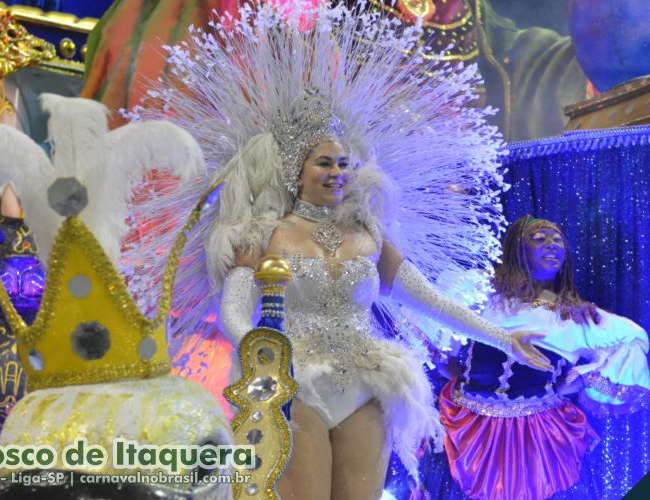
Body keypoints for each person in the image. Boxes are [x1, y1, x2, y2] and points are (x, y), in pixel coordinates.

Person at [123, 3, 552, 498]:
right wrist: (270, 358)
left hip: (367, 381)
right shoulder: (263, 234)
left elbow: (428, 299)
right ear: (296, 171)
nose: (337, 173)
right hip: (293, 383)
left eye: (344, 164)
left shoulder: (368, 236)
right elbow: (234, 314)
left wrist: (501, 337)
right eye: (324, 162)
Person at [439, 215, 650, 500]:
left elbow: (633, 339)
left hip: (537, 431)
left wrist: (578, 378)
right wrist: (455, 369)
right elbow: (436, 323)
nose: (552, 246)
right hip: (470, 423)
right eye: (539, 239)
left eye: (558, 240)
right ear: (517, 249)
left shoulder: (577, 317)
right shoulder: (482, 292)